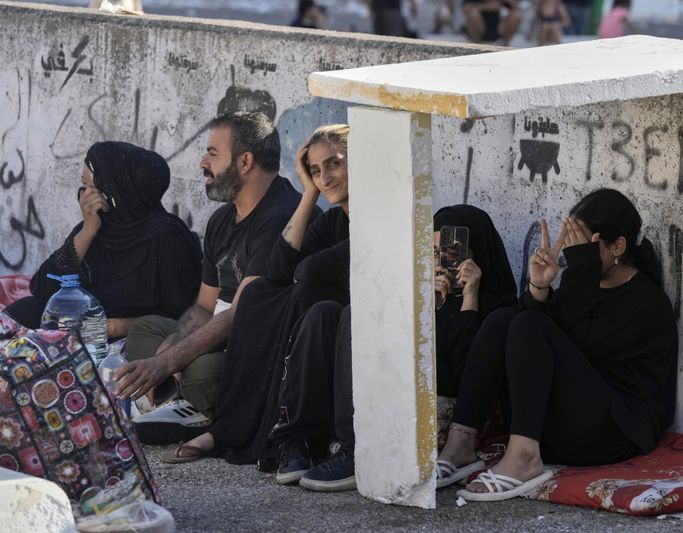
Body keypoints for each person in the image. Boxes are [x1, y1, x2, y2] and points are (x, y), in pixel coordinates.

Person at [436, 189, 678, 502]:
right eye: (572, 245)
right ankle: (461, 446)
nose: (574, 255)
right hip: (558, 428)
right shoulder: (584, 285)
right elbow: (529, 348)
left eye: (584, 246)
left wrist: (579, 270)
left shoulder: (645, 301)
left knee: (528, 323)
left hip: (613, 433)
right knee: (503, 320)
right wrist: (539, 287)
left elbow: (575, 345)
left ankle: (523, 458)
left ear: (618, 246)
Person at [269, 205, 517, 491]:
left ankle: (355, 450)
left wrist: (469, 300)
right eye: (433, 252)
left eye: (453, 252)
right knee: (324, 312)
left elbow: (463, 375)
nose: (443, 261)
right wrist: (420, 300)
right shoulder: (427, 294)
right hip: (390, 384)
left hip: (428, 401)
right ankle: (296, 438)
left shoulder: (496, 310)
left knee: (353, 313)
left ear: (477, 253)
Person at [157, 124, 351, 465]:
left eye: (334, 164)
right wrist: (309, 194)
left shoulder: (381, 221)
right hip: (303, 330)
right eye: (316, 171)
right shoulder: (334, 219)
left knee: (299, 301)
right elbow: (279, 268)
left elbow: (305, 272)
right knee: (260, 292)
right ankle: (230, 427)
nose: (326, 178)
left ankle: (270, 433)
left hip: (339, 334)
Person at [114, 112, 309, 444]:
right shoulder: (222, 220)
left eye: (212, 154)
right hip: (216, 337)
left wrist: (167, 362)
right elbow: (205, 305)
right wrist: (171, 346)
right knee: (146, 330)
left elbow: (242, 314)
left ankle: (197, 404)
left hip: (258, 347)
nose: (202, 163)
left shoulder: (281, 216)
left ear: (245, 161)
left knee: (204, 371)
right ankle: (186, 396)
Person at [5, 142, 200, 341]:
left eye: (93, 187)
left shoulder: (166, 237)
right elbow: (42, 288)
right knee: (23, 312)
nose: (85, 196)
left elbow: (183, 315)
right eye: (85, 186)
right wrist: (88, 231)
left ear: (117, 189)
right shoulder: (98, 224)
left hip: (131, 340)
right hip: (79, 327)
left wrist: (114, 327)